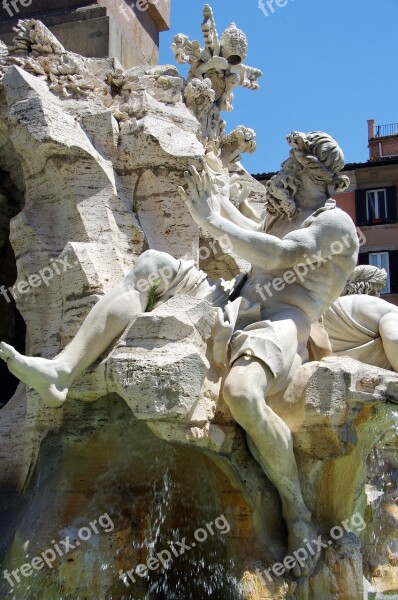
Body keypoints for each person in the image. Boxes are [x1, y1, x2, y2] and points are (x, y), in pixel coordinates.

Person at [0, 131, 359, 577]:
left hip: (283, 322)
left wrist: (214, 219)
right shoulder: (288, 212)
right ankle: (62, 370)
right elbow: (251, 238)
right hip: (234, 298)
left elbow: (284, 255)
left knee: (244, 394)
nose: (282, 171)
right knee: (153, 265)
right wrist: (212, 198)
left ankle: (295, 508)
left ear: (310, 171)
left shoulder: (335, 225)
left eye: (290, 164)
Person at [311, 265, 398, 372]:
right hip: (374, 381)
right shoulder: (383, 308)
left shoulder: (327, 308)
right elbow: (394, 339)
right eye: (380, 289)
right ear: (375, 288)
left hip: (330, 377)